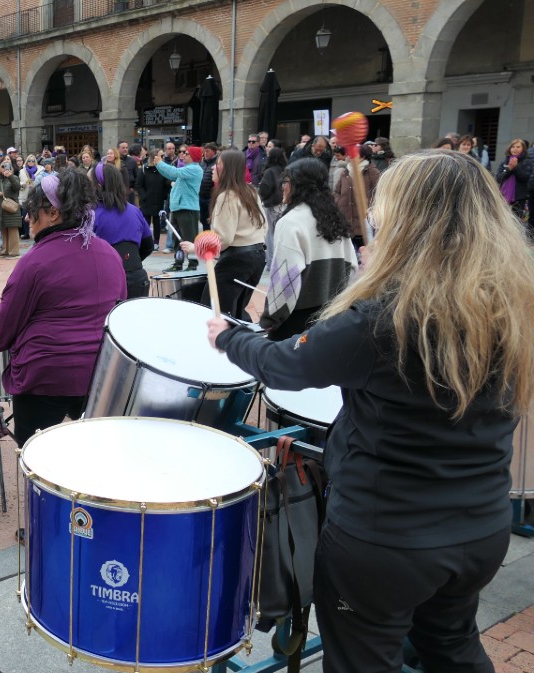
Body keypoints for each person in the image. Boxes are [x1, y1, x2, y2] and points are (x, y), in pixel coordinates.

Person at [207, 149, 534, 673]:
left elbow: (287, 366)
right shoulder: (514, 306)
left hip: (385, 542)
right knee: (451, 646)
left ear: (406, 225)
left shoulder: (379, 320)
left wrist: (230, 339)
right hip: (480, 530)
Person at [0, 171, 125, 447]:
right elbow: (118, 311)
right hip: (99, 372)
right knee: (94, 453)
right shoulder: (109, 252)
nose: (27, 218)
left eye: (31, 211)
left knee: (35, 456)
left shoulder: (34, 261)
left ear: (51, 213)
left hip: (45, 374)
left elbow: (4, 326)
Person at [260, 158, 357, 340]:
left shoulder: (291, 222)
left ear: (299, 185)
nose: (282, 187)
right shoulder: (335, 218)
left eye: (286, 181)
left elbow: (285, 280)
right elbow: (352, 269)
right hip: (333, 316)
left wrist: (271, 319)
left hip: (296, 323)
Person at [181, 150, 267, 321]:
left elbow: (223, 238)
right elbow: (263, 227)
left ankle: (221, 346)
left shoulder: (227, 196)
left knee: (215, 312)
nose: (213, 168)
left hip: (236, 260)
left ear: (226, 169)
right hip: (257, 257)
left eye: (217, 165)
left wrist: (195, 247)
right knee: (236, 313)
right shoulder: (251, 191)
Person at [91, 163, 153, 298]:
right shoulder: (134, 210)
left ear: (98, 185)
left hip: (108, 281)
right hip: (137, 277)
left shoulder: (92, 215)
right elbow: (148, 246)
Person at [151, 146, 204, 271]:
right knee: (177, 239)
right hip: (178, 208)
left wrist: (160, 163)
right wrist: (159, 165)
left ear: (193, 156)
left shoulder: (195, 169)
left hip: (188, 209)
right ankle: (178, 263)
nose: (183, 155)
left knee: (189, 238)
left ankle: (192, 264)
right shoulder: (187, 169)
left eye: (186, 153)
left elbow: (174, 173)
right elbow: (171, 174)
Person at [334, 143, 382, 249]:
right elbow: (337, 191)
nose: (349, 157)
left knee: (365, 253)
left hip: (364, 221)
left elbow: (380, 193)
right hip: (346, 220)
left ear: (363, 157)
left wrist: (371, 207)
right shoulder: (346, 172)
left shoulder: (372, 172)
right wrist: (338, 202)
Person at [136, 151, 170, 251]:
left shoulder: (163, 170)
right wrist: (144, 196)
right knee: (145, 222)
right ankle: (146, 241)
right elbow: (139, 185)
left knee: (157, 222)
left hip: (158, 199)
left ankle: (156, 242)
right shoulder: (144, 169)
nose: (162, 158)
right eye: (160, 156)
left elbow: (166, 183)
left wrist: (164, 194)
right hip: (147, 201)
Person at [495, 138, 532, 220]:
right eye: (513, 146)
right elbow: (499, 178)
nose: (515, 149)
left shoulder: (527, 161)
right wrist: (509, 169)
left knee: (517, 221)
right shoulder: (504, 162)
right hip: (503, 197)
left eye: (518, 147)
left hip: (519, 198)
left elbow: (525, 178)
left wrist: (515, 167)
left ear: (523, 149)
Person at [0, 161, 22, 257]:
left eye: (7, 167)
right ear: (0, 168)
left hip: (11, 209)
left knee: (12, 230)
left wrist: (10, 176)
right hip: (0, 209)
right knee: (4, 230)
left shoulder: (14, 178)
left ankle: (14, 251)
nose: (4, 169)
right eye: (2, 167)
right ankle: (5, 250)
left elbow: (17, 187)